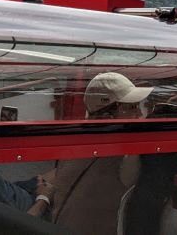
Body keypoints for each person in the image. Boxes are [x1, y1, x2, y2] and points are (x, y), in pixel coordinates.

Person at [50, 72, 154, 235]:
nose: (140, 114)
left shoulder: (73, 142)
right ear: (107, 116)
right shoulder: (121, 155)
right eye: (131, 108)